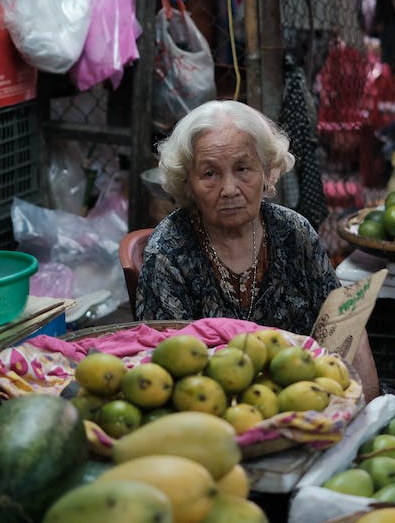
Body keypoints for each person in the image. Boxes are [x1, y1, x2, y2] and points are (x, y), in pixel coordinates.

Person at [135, 100, 379, 399]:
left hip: (306, 397)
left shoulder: (294, 232)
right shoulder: (168, 252)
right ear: (188, 182)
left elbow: (343, 326)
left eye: (242, 168)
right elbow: (166, 366)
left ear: (266, 170)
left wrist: (363, 416)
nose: (229, 189)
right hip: (213, 409)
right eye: (210, 173)